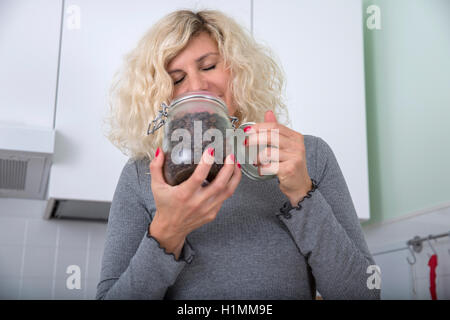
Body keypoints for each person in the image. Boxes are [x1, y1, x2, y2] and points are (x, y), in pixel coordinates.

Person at [97, 9, 380, 300]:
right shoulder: (141, 175)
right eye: (177, 78)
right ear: (162, 99)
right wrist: (168, 232)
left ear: (237, 68)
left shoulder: (306, 157)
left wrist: (301, 192)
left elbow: (363, 294)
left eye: (208, 66)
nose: (196, 86)